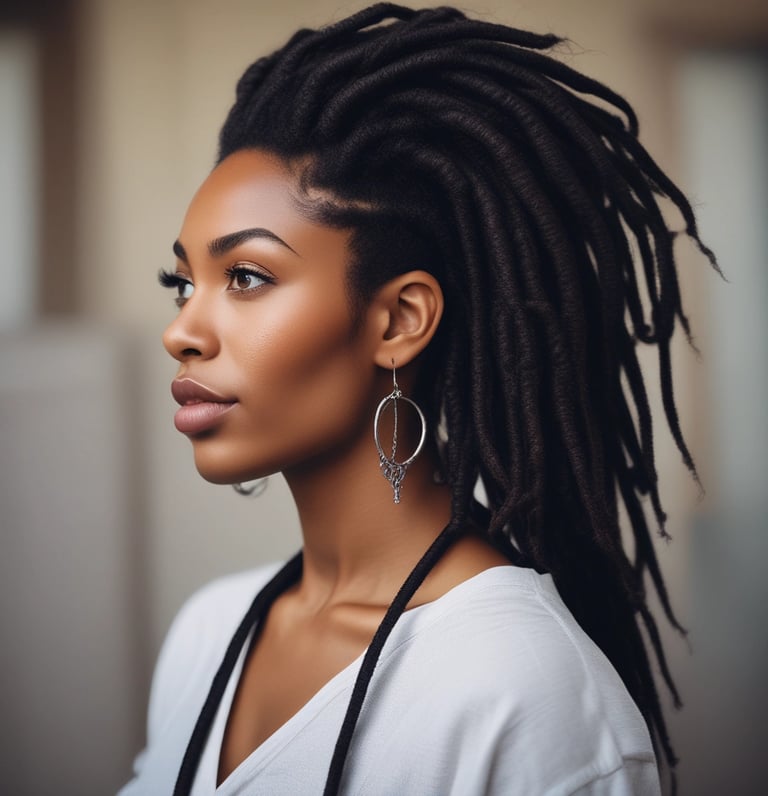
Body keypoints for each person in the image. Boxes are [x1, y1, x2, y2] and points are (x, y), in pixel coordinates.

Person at [119, 4, 717, 794]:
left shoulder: (523, 695)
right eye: (182, 284)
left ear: (399, 320)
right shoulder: (210, 630)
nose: (182, 332)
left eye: (248, 277)